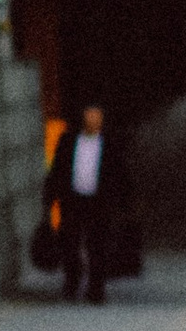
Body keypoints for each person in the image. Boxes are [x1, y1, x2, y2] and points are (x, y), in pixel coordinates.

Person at [43, 103, 128, 308]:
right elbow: (57, 170)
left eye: (97, 116)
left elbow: (118, 174)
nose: (93, 120)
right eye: (90, 115)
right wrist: (49, 198)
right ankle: (72, 282)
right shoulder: (68, 141)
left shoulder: (109, 144)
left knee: (97, 245)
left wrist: (120, 201)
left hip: (98, 202)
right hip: (73, 200)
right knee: (69, 242)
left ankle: (96, 288)